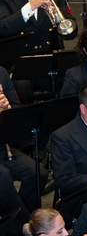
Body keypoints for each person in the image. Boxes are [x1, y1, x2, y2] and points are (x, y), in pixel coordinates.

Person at [0, 0, 77, 103]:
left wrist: (57, 16)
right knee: (21, 87)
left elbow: (71, 33)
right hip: (19, 64)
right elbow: (3, 28)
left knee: (71, 80)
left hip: (50, 60)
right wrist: (30, 7)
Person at [0, 65, 43, 211]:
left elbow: (17, 106)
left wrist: (8, 108)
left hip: (2, 145)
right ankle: (17, 225)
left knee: (37, 173)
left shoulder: (1, 72)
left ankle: (28, 219)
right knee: (4, 176)